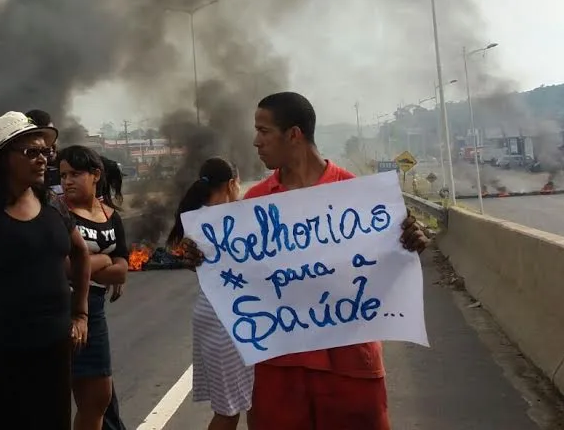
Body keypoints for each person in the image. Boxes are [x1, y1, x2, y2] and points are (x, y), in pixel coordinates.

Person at [245, 92, 430, 430]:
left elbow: (384, 274)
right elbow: (244, 277)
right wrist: (207, 258)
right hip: (280, 364)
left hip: (349, 362)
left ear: (294, 135)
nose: (256, 142)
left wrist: (407, 246)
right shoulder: (255, 202)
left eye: (264, 131)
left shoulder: (358, 197)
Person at [0, 111, 92, 430]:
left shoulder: (52, 203)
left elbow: (81, 254)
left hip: (53, 352)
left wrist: (80, 314)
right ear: (2, 159)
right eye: (31, 152)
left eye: (45, 152)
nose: (43, 160)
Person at [167, 158, 254, 430]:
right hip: (227, 320)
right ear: (231, 184)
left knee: (230, 406)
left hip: (212, 314)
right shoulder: (228, 221)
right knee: (230, 410)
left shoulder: (197, 219)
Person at [58, 145, 130, 430]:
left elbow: (123, 270)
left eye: (75, 174)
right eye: (63, 175)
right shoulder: (58, 212)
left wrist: (87, 263)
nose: (67, 181)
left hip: (95, 311)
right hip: (62, 310)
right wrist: (103, 258)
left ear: (95, 175)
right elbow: (66, 268)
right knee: (57, 398)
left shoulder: (111, 216)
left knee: (98, 397)